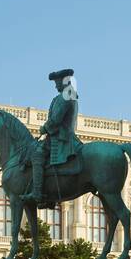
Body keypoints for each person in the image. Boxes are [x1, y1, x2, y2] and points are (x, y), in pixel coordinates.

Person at [26, 69, 83, 206]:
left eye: (57, 82)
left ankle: (37, 193)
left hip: (61, 138)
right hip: (58, 136)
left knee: (37, 155)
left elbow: (56, 119)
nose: (55, 85)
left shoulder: (67, 95)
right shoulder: (66, 95)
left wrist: (44, 128)